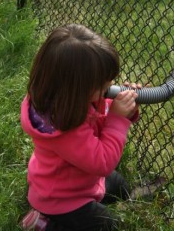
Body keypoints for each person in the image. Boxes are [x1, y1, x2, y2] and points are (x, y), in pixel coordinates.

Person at [19, 23, 141, 231]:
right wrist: (118, 119)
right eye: (102, 86)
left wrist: (124, 108)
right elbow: (102, 162)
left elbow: (96, 117)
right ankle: (44, 223)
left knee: (121, 187)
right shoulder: (63, 128)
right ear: (77, 90)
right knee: (106, 225)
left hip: (78, 181)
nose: (109, 87)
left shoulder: (66, 101)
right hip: (61, 200)